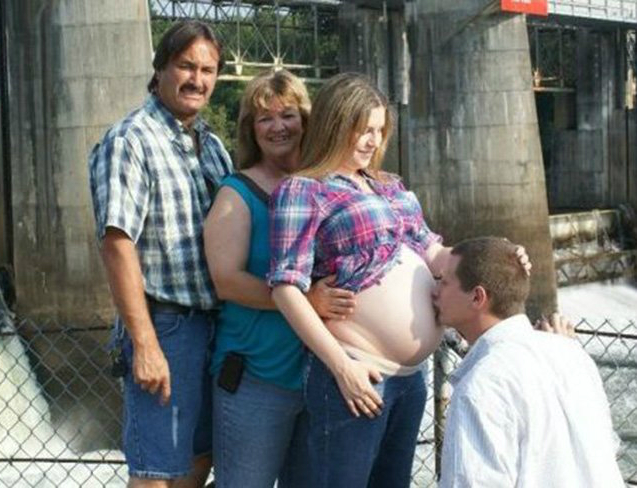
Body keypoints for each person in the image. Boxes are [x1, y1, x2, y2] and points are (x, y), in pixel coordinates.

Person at [267, 72, 530, 487]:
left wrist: (501, 254)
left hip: (410, 380)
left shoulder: (390, 186)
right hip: (356, 372)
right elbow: (285, 287)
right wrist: (342, 368)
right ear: (335, 124)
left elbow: (436, 254)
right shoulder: (303, 190)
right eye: (362, 130)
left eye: (378, 130)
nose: (372, 141)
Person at [88, 20, 232, 488]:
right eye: (186, 66)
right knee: (156, 473)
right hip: (166, 327)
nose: (197, 79)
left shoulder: (211, 146)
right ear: (161, 69)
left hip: (215, 325)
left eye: (208, 70)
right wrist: (146, 344)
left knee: (198, 459)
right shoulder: (130, 140)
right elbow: (117, 244)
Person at [204, 70, 356, 488]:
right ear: (251, 130)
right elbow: (226, 281)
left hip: (320, 375)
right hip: (257, 376)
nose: (278, 127)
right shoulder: (236, 193)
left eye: (287, 115)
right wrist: (307, 301)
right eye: (264, 118)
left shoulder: (327, 183)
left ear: (306, 119)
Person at [432, 237, 623, 487]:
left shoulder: (482, 385)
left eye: (444, 282)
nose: (435, 291)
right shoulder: (572, 353)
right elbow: (607, 446)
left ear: (477, 297)